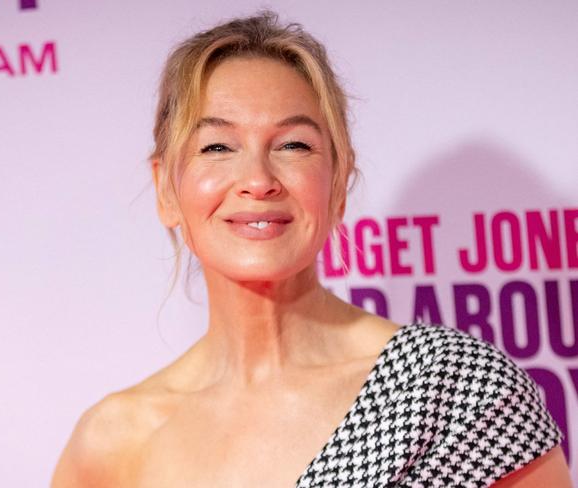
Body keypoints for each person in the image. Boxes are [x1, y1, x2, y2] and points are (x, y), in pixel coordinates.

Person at [51, 11, 571, 488]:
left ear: (339, 183)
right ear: (167, 189)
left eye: (293, 145)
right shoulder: (112, 443)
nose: (257, 179)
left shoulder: (454, 392)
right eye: (217, 147)